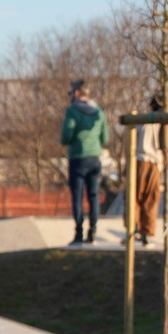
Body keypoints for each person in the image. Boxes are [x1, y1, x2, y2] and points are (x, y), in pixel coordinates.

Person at [60, 78, 108, 245]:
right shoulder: (99, 112)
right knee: (94, 195)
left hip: (78, 159)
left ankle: (79, 233)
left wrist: (73, 138)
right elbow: (105, 137)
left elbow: (66, 136)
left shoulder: (72, 112)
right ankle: (93, 231)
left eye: (71, 92)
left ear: (78, 93)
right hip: (95, 159)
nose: (70, 95)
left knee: (78, 196)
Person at [134, 97, 165, 245]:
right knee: (150, 199)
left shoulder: (142, 122)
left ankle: (134, 227)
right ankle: (146, 231)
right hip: (154, 162)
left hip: (139, 160)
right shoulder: (164, 124)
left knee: (135, 196)